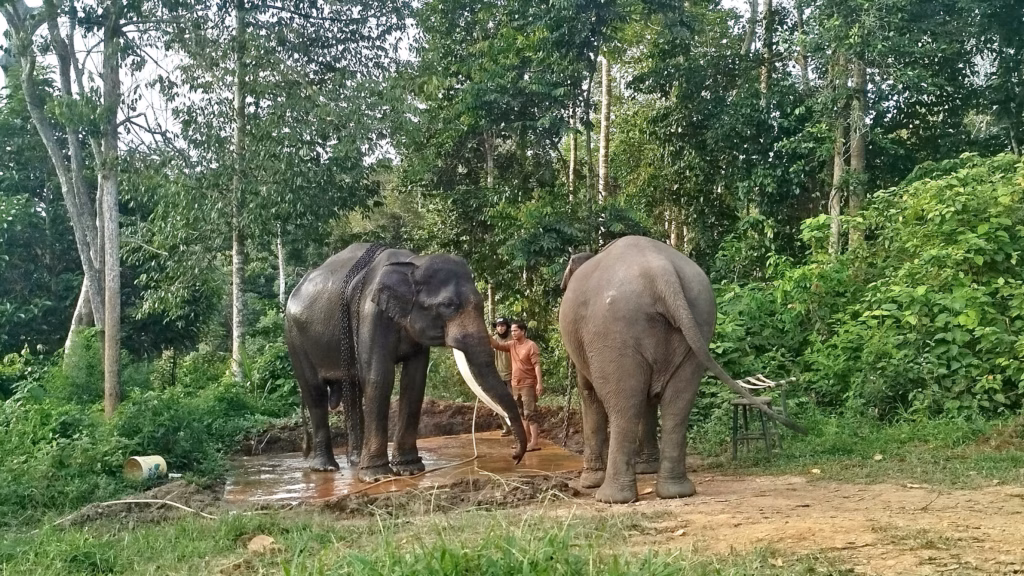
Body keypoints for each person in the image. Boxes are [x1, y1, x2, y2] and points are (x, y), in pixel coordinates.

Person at [490, 321, 543, 451]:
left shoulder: (531, 346)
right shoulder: (511, 345)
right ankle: (525, 441)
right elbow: (497, 345)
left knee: (530, 414)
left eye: (515, 331)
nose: (513, 333)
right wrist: (486, 335)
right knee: (521, 414)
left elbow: (537, 365)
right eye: (512, 331)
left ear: (523, 331)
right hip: (515, 385)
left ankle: (534, 442)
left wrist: (539, 383)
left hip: (528, 384)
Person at [492, 317, 514, 436]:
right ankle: (506, 427)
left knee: (515, 402)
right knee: (499, 403)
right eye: (499, 326)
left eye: (503, 326)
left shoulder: (513, 339)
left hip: (512, 375)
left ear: (507, 327)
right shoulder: (493, 340)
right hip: (498, 375)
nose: (501, 328)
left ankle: (519, 427)